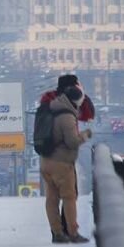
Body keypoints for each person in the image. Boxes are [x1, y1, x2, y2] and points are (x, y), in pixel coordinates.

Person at [37, 74, 93, 236]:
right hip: (62, 159)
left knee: (52, 198)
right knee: (69, 196)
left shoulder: (49, 102)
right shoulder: (67, 109)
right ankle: (71, 231)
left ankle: (57, 232)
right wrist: (85, 136)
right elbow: (88, 115)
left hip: (46, 156)